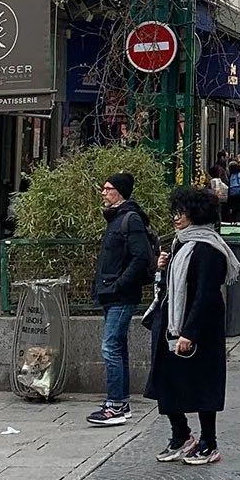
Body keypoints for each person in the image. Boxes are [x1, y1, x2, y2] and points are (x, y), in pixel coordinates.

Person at [145, 186, 239, 465]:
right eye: (175, 212)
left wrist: (190, 332)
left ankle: (209, 442)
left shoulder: (208, 249)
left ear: (197, 214)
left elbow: (205, 294)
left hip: (199, 329)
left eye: (182, 213)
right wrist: (163, 267)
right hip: (172, 325)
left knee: (202, 385)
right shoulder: (180, 244)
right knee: (166, 381)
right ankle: (181, 434)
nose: (176, 218)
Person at [88, 173, 155, 426]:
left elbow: (140, 257)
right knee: (117, 346)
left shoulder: (130, 219)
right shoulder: (117, 218)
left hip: (120, 294)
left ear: (120, 192)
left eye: (108, 189)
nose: (104, 193)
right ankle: (119, 403)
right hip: (111, 291)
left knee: (110, 347)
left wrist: (119, 284)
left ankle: (115, 405)